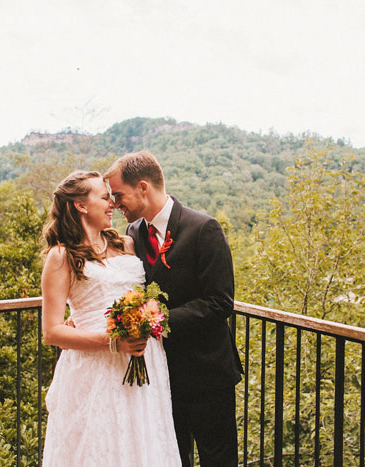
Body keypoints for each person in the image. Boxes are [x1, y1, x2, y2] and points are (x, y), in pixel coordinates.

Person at [104, 151, 243, 467]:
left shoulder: (203, 229)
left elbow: (220, 302)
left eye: (118, 195)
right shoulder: (133, 234)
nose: (114, 204)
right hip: (160, 377)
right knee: (171, 457)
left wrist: (154, 321)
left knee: (217, 459)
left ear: (142, 187)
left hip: (207, 374)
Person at [40, 170, 181, 467]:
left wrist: (147, 318)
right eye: (105, 198)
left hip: (145, 361)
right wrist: (114, 342)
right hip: (95, 367)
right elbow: (52, 332)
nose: (112, 205)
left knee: (142, 442)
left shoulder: (126, 244)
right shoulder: (61, 257)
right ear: (80, 205)